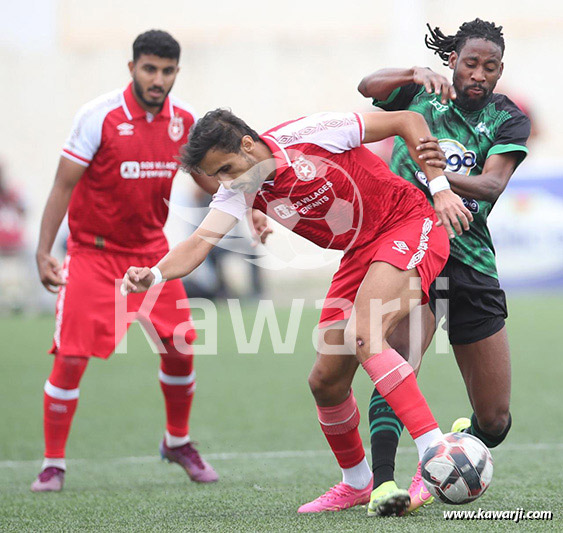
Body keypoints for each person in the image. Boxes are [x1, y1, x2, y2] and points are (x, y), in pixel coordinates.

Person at [122, 107, 474, 515]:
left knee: (365, 333)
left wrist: (441, 187)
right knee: (325, 381)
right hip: (360, 253)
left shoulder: (312, 134)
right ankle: (357, 482)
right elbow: (198, 243)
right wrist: (154, 274)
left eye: (227, 168)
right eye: (217, 176)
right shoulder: (239, 189)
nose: (226, 181)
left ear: (248, 145)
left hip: (406, 222)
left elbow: (407, 120)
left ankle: (434, 449)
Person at [32, 30, 229, 492]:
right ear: (133, 68)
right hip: (92, 255)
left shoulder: (185, 123)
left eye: (166, 71)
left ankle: (177, 442)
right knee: (72, 358)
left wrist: (252, 210)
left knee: (180, 347)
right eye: (149, 69)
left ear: (176, 72)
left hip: (149, 256)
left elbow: (207, 181)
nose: (157, 79)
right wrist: (44, 251)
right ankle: (53, 464)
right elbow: (62, 186)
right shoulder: (97, 117)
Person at [358, 18, 531, 514]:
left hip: (471, 260)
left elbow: (494, 186)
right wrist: (413, 71)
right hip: (412, 249)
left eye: (490, 67)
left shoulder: (506, 118)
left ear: (500, 72)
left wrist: (439, 171)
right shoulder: (420, 94)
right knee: (399, 360)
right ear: (452, 60)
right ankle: (384, 486)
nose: (479, 74)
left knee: (495, 421)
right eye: (470, 62)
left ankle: (462, 443)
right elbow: (367, 87)